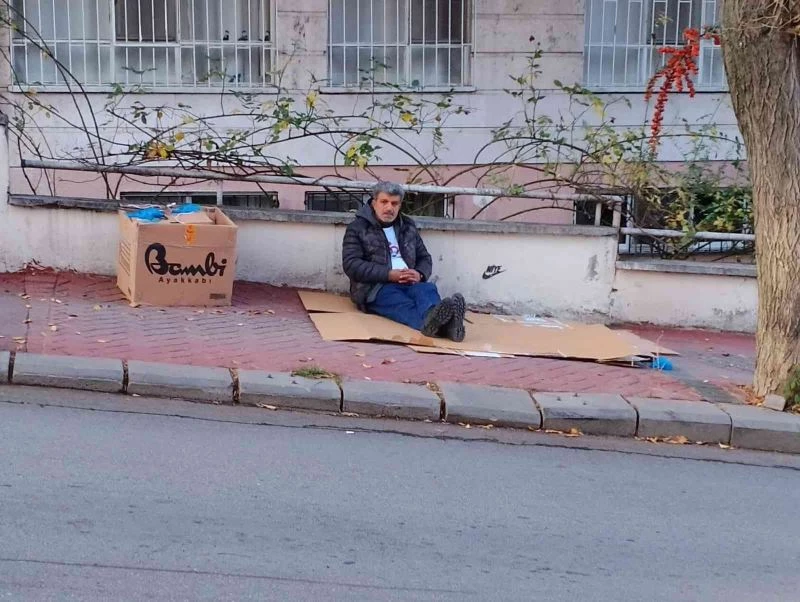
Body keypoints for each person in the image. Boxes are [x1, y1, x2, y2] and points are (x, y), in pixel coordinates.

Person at [342, 181, 466, 342]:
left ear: (400, 205)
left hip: (411, 283)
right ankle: (446, 325)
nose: (389, 208)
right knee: (402, 304)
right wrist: (388, 275)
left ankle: (438, 323)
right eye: (384, 202)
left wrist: (419, 274)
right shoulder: (357, 227)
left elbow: (424, 257)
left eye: (394, 203)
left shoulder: (407, 226)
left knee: (427, 289)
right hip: (376, 288)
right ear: (374, 203)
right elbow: (351, 264)